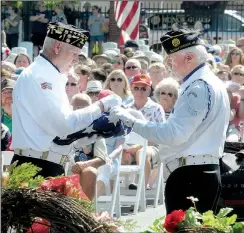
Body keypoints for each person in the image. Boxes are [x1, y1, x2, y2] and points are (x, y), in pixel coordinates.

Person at [110, 29, 230, 214]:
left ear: (189, 57)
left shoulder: (198, 87)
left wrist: (132, 121)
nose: (170, 64)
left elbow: (173, 134)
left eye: (171, 58)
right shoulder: (208, 82)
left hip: (191, 175)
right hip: (199, 172)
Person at [11, 22, 122, 178]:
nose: (76, 60)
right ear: (57, 47)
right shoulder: (41, 76)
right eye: (74, 53)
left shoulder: (49, 74)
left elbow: (61, 137)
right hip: (36, 167)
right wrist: (102, 106)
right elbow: (63, 126)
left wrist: (95, 131)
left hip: (46, 164)